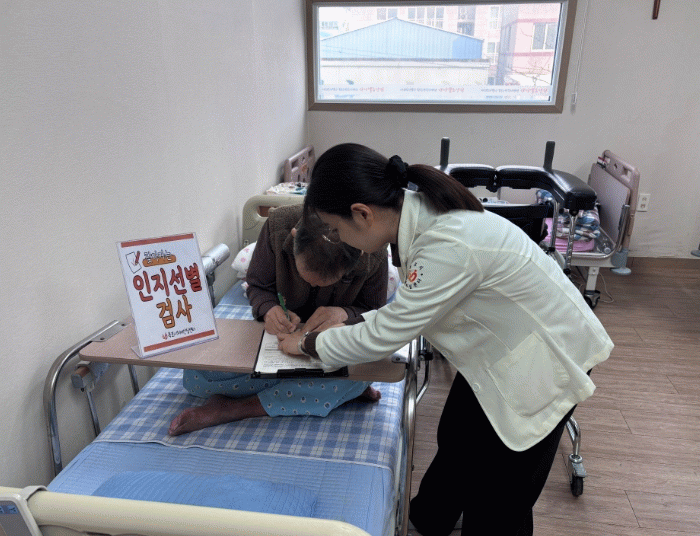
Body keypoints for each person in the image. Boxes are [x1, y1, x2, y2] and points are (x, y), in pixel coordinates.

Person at [278, 143, 614, 536]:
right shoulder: (422, 215)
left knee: (499, 503)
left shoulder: (446, 244)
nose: (340, 240)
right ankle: (428, 521)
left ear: (362, 214)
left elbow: (387, 334)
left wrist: (307, 345)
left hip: (544, 362)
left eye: (336, 230)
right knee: (457, 435)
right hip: (508, 346)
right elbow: (412, 307)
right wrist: (350, 321)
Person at [168, 203, 387, 436]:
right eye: (306, 276)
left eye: (328, 282)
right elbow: (257, 285)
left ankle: (236, 407)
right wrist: (269, 309)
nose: (312, 286)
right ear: (294, 238)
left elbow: (374, 312)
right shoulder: (278, 226)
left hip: (333, 346)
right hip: (277, 341)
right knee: (199, 374)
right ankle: (331, 394)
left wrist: (345, 314)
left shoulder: (372, 248)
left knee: (363, 374)